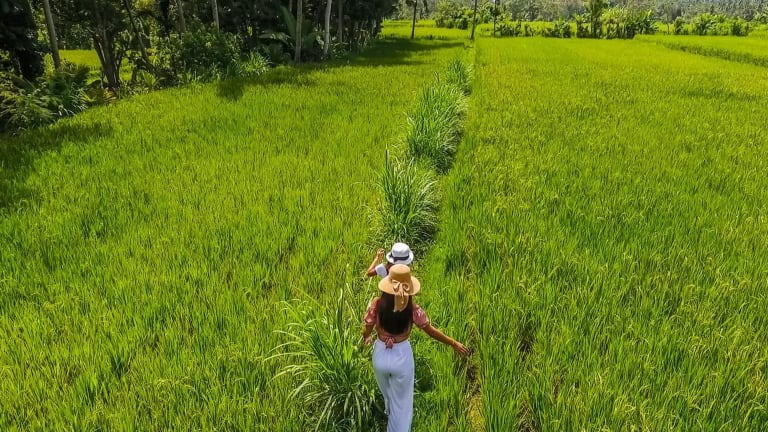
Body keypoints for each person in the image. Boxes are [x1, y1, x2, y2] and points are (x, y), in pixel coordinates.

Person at [361, 264, 469, 432]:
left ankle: (389, 409)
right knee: (403, 403)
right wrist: (453, 343)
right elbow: (431, 331)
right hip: (402, 357)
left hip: (380, 356)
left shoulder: (377, 303)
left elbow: (367, 328)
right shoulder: (412, 309)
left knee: (387, 391)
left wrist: (367, 337)